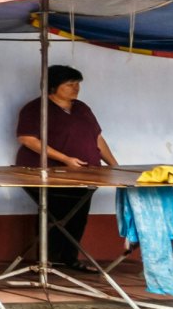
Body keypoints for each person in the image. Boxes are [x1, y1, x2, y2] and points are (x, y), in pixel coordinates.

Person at [15, 64, 114, 272]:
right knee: (52, 214)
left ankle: (69, 258)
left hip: (85, 172)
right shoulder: (35, 108)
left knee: (78, 217)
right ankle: (46, 260)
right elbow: (28, 139)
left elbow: (97, 138)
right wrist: (65, 158)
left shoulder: (82, 108)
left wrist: (114, 165)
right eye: (70, 84)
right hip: (48, 172)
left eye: (77, 84)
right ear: (53, 86)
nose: (75, 88)